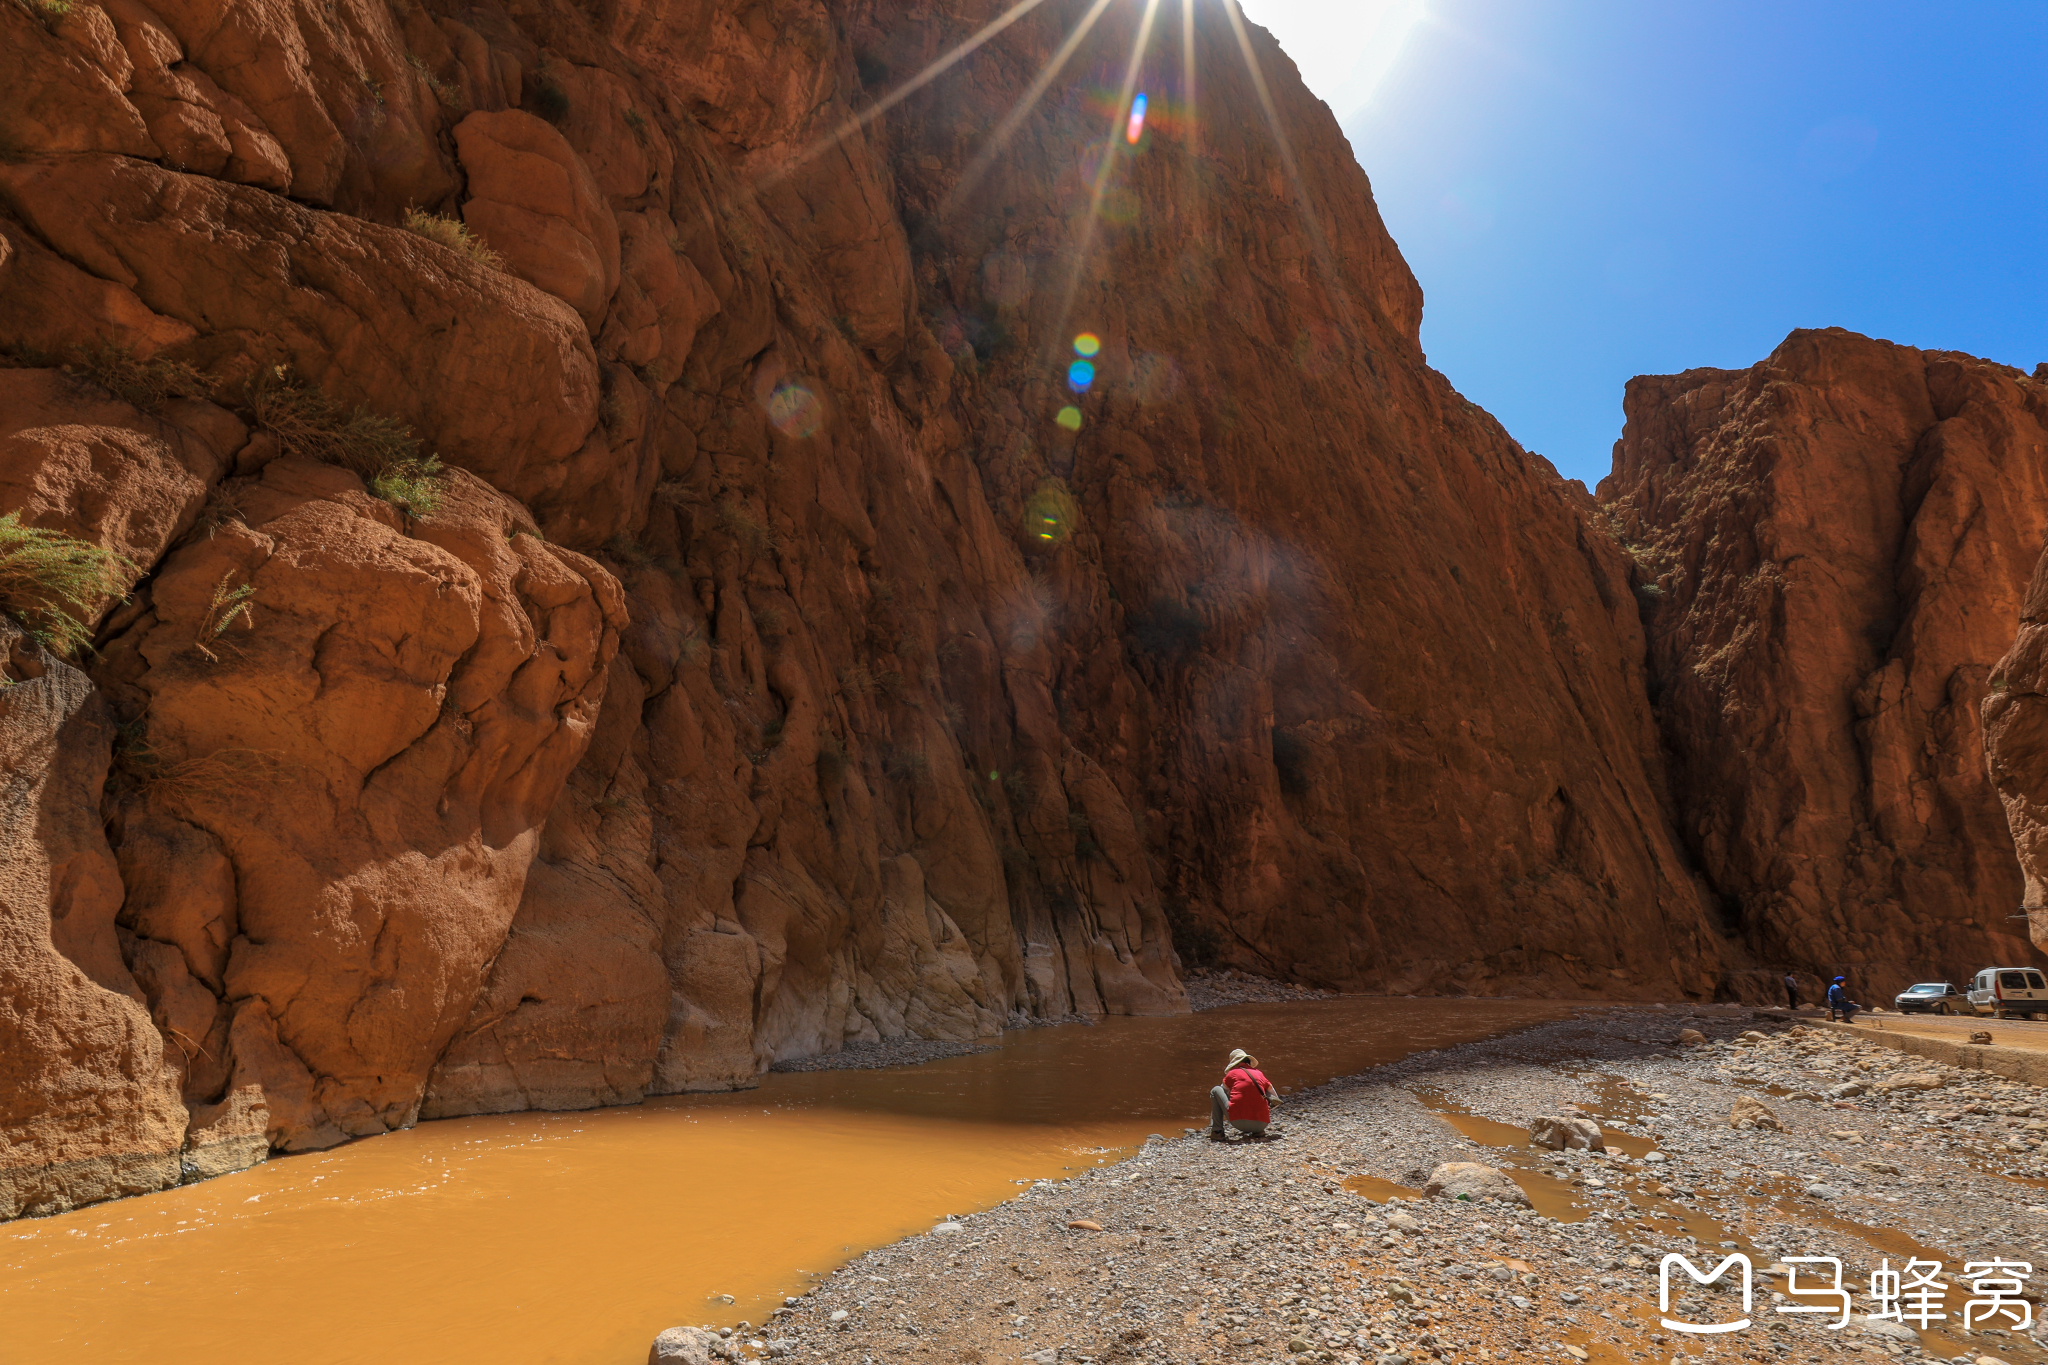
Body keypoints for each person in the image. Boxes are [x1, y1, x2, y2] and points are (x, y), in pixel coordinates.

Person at [1209, 1048, 1279, 1142]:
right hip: (1262, 1123)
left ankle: (1217, 1131)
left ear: (1234, 1063)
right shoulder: (1259, 1074)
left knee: (1216, 1090)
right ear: (1248, 1062)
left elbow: (1224, 1091)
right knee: (1262, 1089)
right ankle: (1258, 1131)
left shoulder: (1232, 1073)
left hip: (1239, 1122)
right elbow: (1276, 1098)